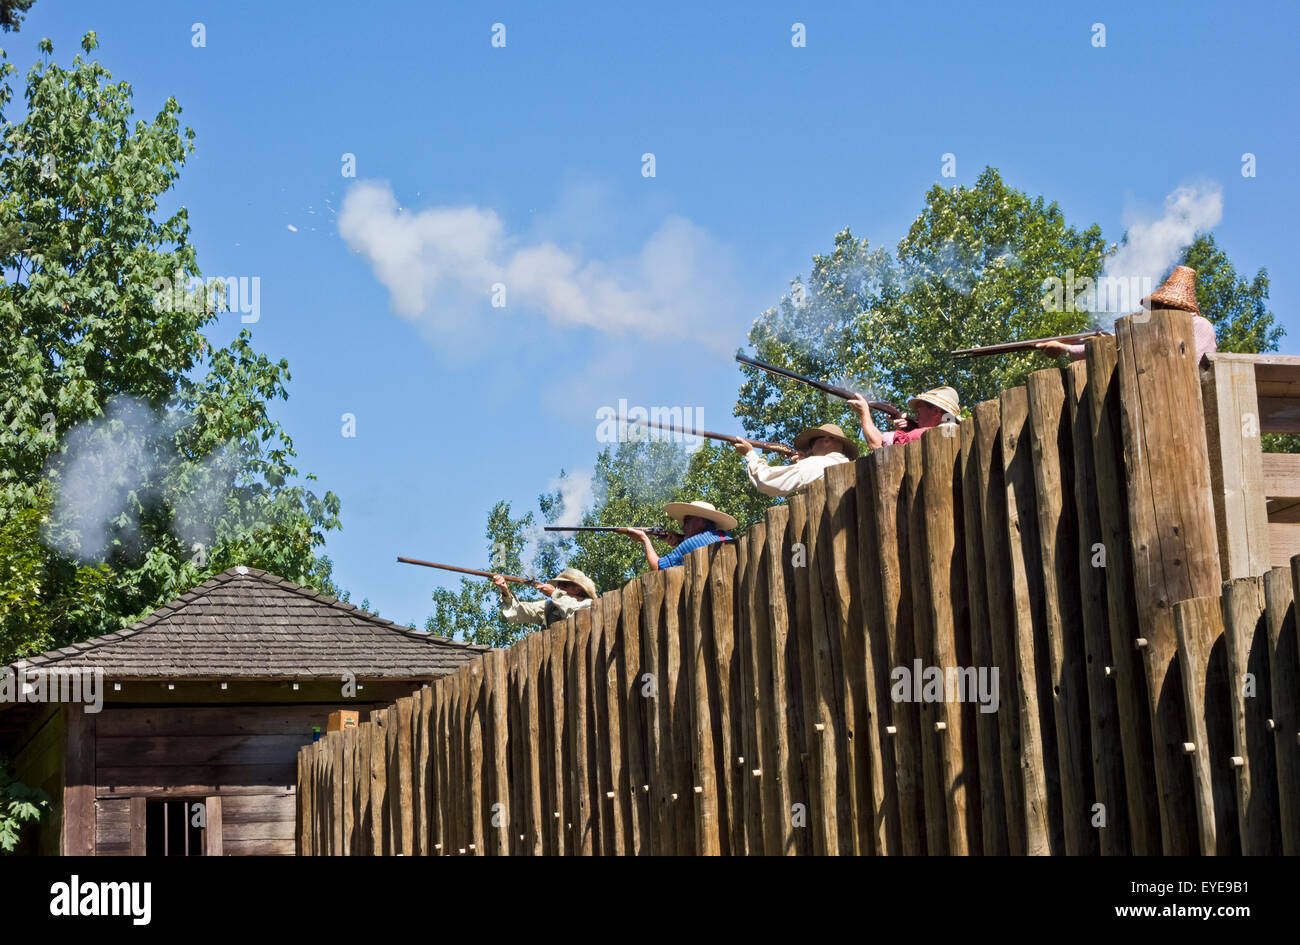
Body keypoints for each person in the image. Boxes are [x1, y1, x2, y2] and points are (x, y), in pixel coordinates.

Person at [1035, 265, 1217, 362]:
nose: (1152, 311)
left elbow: (1190, 367)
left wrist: (1065, 348)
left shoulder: (1200, 325)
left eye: (1157, 306)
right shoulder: (1154, 330)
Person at [733, 422, 858, 497]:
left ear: (826, 440)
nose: (809, 451)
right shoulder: (845, 464)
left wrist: (749, 453)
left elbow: (767, 481)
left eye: (811, 445)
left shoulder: (817, 464)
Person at [620, 500, 737, 571]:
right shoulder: (725, 537)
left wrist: (644, 539)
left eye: (686, 521)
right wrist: (680, 540)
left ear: (699, 521)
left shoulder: (692, 543)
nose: (682, 527)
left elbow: (658, 568)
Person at [847, 387, 960, 450]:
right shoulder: (952, 434)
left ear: (936, 411)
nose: (916, 416)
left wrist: (864, 412)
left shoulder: (924, 434)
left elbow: (877, 445)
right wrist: (909, 427)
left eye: (918, 411)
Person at [491, 567, 597, 627]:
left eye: (564, 585)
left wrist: (554, 593)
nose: (559, 588)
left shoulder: (590, 605)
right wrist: (505, 591)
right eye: (558, 585)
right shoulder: (549, 607)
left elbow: (574, 614)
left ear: (577, 589)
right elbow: (519, 612)